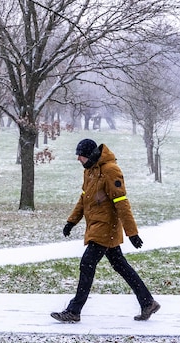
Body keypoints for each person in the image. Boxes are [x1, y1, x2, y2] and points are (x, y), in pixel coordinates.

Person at [50, 138, 160, 323]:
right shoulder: (90, 172)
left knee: (87, 264)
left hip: (106, 227)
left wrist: (131, 232)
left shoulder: (110, 171)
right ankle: (147, 301)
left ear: (90, 155)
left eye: (81, 156)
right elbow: (83, 199)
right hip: (96, 225)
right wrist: (71, 221)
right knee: (120, 265)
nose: (78, 159)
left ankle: (74, 311)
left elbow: (121, 202)